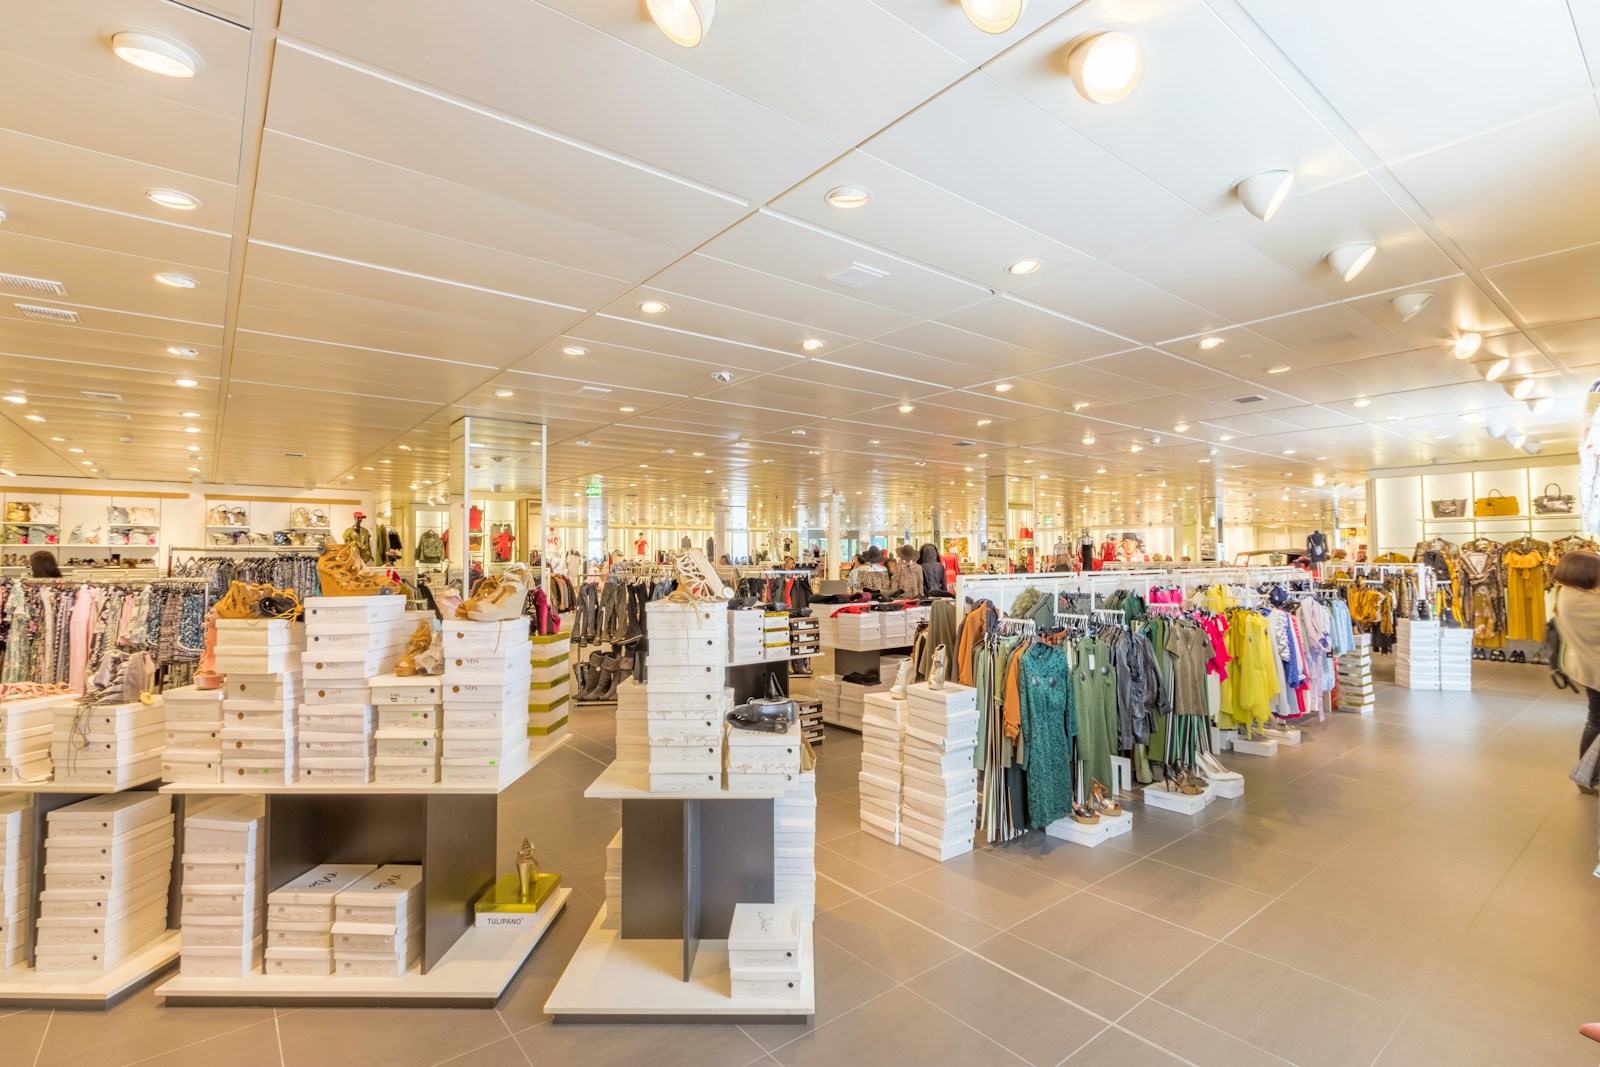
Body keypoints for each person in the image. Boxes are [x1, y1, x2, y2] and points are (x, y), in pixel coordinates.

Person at [1552, 549, 1600, 787]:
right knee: (1596, 721)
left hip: (1587, 666)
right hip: (1595, 668)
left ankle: (1587, 775)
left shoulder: (1566, 593)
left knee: (1595, 719)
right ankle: (1588, 774)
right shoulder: (1585, 601)